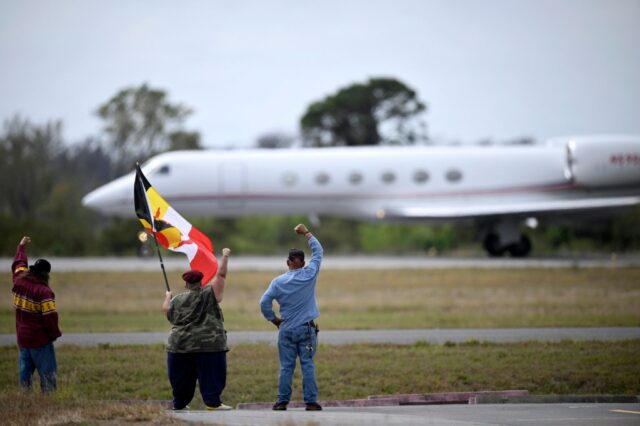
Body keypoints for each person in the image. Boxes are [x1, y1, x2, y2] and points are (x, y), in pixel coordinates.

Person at [260, 224, 324, 411]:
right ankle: (311, 402)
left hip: (286, 329)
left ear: (288, 262)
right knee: (307, 365)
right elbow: (318, 252)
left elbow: (264, 302)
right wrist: (306, 232)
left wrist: (273, 319)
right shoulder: (309, 273)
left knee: (286, 367)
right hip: (306, 329)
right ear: (303, 263)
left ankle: (282, 402)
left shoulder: (278, 282)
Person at [162, 248, 232, 411]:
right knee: (212, 374)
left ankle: (179, 403)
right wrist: (225, 256)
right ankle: (213, 403)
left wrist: (167, 296)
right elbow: (221, 276)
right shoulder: (209, 293)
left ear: (186, 283)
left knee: (181, 377)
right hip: (209, 344)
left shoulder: (177, 300)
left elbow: (166, 310)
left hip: (180, 345)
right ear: (201, 282)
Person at [11, 236, 62, 393]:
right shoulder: (45, 292)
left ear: (32, 270)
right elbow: (50, 318)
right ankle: (48, 402)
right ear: (46, 275)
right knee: (48, 377)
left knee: (24, 375)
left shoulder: (18, 281)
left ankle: (25, 400)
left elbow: (18, 264)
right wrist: (54, 334)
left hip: (22, 339)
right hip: (40, 340)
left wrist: (21, 247)